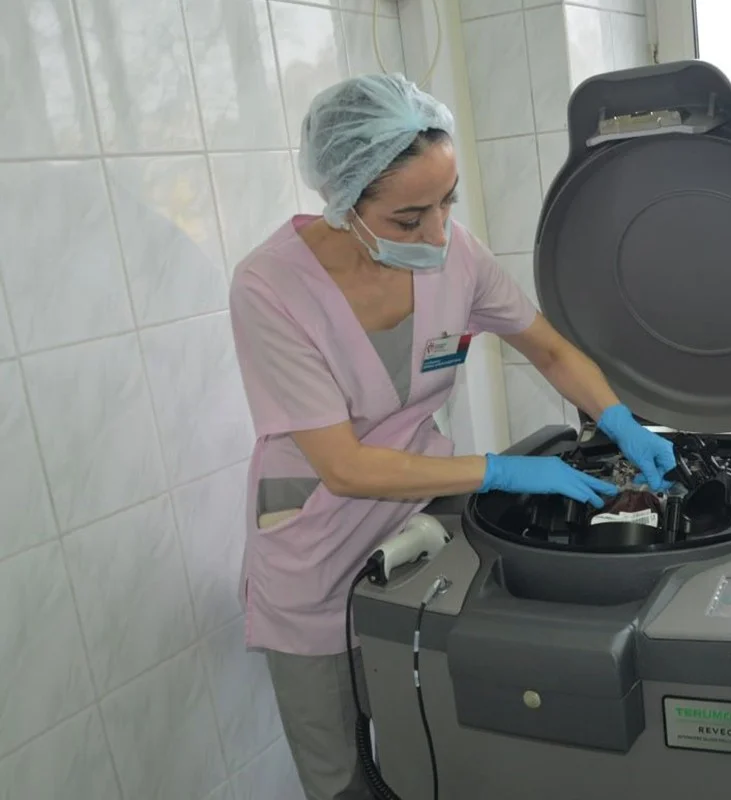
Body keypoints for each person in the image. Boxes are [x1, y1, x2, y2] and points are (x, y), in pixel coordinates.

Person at [227, 73, 677, 800]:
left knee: (435, 739)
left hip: (425, 518)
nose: (437, 234)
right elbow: (342, 466)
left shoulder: (456, 255)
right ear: (344, 201)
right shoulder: (269, 288)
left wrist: (622, 421)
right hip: (316, 540)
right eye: (409, 218)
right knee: (340, 774)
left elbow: (549, 349)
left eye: (447, 203)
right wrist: (500, 471)